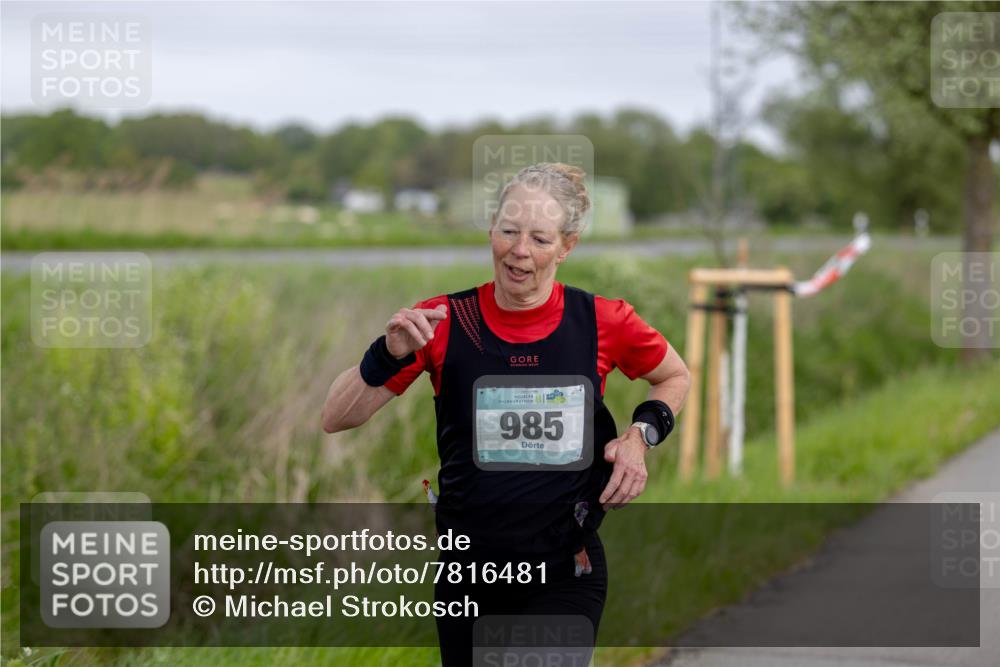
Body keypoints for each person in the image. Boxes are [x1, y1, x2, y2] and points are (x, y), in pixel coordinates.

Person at [322, 162, 691, 666]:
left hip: (566, 569)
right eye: (509, 231)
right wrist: (387, 354)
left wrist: (638, 437)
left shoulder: (602, 320)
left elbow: (674, 375)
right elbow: (337, 416)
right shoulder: (443, 321)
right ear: (491, 230)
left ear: (566, 246)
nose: (519, 251)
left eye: (539, 239)